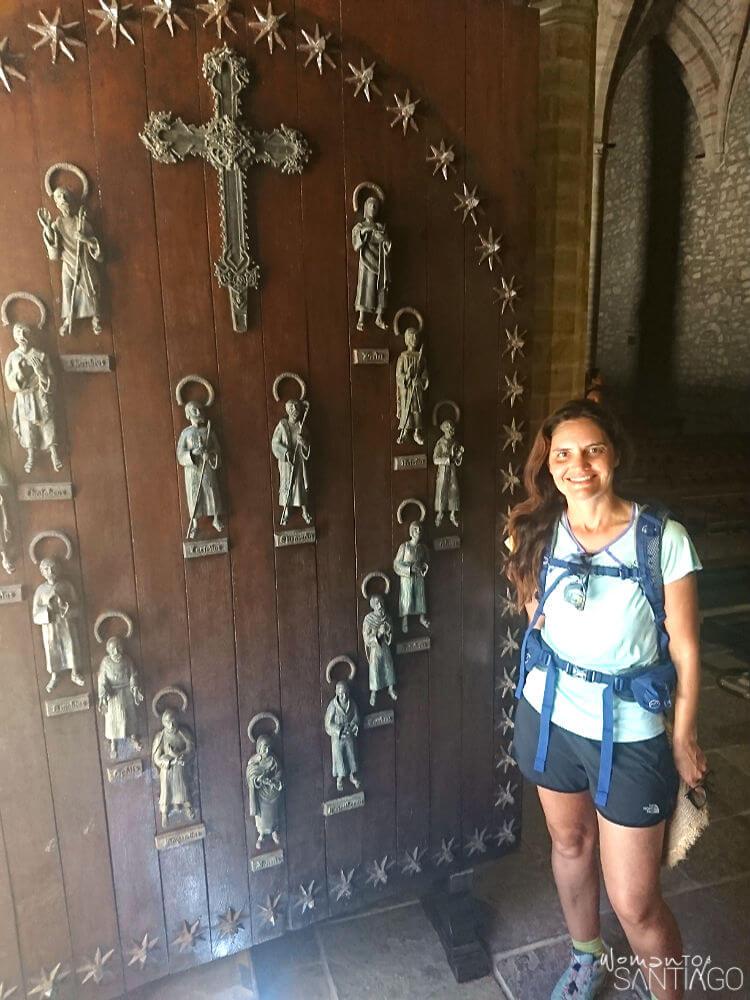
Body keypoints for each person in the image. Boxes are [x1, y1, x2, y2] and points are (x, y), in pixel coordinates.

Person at [505, 399, 707, 1000]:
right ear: (549, 465)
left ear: (614, 454)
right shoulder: (532, 531)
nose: (578, 465)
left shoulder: (661, 539)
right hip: (550, 718)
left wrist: (683, 737)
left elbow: (689, 651)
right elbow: (534, 617)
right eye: (563, 454)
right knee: (569, 843)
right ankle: (585, 957)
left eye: (592, 450)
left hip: (631, 730)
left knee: (635, 901)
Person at [37, 184, 103, 336]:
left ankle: (96, 317)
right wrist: (47, 227)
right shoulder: (57, 224)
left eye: (65, 195)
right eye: (59, 197)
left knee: (89, 288)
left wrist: (84, 239)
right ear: (56, 203)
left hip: (83, 262)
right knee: (67, 291)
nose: (63, 199)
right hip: (68, 264)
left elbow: (96, 246)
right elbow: (53, 252)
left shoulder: (81, 223)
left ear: (72, 200)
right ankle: (68, 319)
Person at [4, 322, 62, 473]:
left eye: (25, 333)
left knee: (48, 423)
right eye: (18, 334)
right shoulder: (12, 357)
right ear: (14, 337)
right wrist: (19, 372)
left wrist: (40, 372)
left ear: (30, 335)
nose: (22, 337)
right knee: (27, 426)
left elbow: (52, 382)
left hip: (40, 395)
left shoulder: (40, 355)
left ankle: (54, 453)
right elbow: (10, 382)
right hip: (24, 398)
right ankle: (30, 456)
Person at [32, 557, 84, 693]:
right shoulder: (40, 591)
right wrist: (48, 609)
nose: (51, 571)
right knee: (52, 649)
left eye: (53, 568)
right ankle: (54, 676)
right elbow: (35, 615)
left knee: (71, 645)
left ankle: (75, 672)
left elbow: (78, 608)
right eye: (47, 569)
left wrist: (66, 608)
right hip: (50, 627)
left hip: (66, 623)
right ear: (42, 572)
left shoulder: (67, 586)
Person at [176, 401, 224, 539]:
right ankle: (195, 524)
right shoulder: (186, 433)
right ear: (188, 414)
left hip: (207, 467)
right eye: (194, 410)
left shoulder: (208, 432)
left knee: (211, 491)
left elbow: (217, 451)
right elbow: (180, 454)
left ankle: (216, 518)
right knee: (194, 495)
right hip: (193, 470)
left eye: (199, 409)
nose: (198, 413)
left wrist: (211, 455)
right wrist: (192, 454)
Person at [96, 636, 143, 759]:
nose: (116, 652)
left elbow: (133, 674)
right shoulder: (106, 663)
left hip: (127, 692)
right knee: (113, 721)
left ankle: (133, 737)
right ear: (108, 650)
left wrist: (134, 687)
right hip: (113, 695)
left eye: (118, 648)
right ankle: (113, 744)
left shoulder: (127, 660)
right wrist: (103, 694)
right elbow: (101, 680)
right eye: (113, 649)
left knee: (130, 717)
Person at [351, 195, 391, 331]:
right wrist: (365, 232)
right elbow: (356, 245)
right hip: (367, 261)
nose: (373, 208)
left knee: (381, 288)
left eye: (375, 206)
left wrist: (385, 242)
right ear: (365, 208)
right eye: (370, 205)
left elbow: (386, 243)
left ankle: (379, 316)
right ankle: (361, 317)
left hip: (380, 263)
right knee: (365, 288)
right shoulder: (360, 226)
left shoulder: (380, 227)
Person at [152, 708, 196, 827]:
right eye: (168, 722)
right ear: (163, 723)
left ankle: (187, 806)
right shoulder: (160, 737)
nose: (171, 725)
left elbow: (190, 749)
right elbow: (156, 758)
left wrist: (182, 756)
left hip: (180, 767)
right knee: (166, 790)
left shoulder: (183, 733)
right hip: (167, 769)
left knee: (183, 787)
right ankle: (165, 813)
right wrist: (168, 760)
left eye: (173, 721)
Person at [271, 399, 312, 526]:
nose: (294, 413)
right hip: (286, 462)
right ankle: (286, 511)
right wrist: (285, 453)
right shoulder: (282, 425)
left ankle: (304, 511)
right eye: (291, 410)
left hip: (299, 461)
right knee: (287, 484)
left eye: (296, 410)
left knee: (299, 485)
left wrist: (303, 442)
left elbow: (308, 446)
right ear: (288, 411)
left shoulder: (302, 426)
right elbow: (275, 443)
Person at [246, 734, 284, 851]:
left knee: (273, 814)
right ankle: (261, 835)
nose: (266, 750)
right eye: (264, 747)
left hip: (272, 793)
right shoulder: (254, 762)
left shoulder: (273, 760)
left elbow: (279, 772)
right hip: (261, 794)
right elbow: (250, 775)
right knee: (261, 817)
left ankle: (274, 832)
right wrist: (257, 780)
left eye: (268, 747)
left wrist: (274, 781)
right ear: (259, 748)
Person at [324, 680, 361, 792]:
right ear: (336, 693)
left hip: (349, 735)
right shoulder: (333, 706)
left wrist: (353, 725)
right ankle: (340, 778)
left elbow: (356, 717)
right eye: (340, 694)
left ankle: (352, 775)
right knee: (339, 757)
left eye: (345, 693)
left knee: (351, 755)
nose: (343, 696)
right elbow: (328, 723)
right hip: (338, 737)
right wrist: (339, 730)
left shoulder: (352, 704)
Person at [393, 521, 430, 633]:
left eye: (419, 530)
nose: (418, 532)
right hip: (407, 577)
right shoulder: (404, 546)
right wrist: (409, 569)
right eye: (415, 529)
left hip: (418, 576)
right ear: (411, 532)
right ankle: (405, 619)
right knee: (407, 597)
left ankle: (422, 617)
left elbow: (426, 561)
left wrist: (424, 567)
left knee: (420, 596)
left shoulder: (422, 548)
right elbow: (396, 564)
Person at [395, 327, 429, 446]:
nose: (414, 339)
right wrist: (407, 376)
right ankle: (404, 431)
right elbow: (399, 375)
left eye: (416, 337)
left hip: (417, 389)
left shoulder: (421, 358)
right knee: (407, 410)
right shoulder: (402, 357)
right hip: (406, 389)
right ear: (407, 339)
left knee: (417, 410)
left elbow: (425, 375)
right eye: (411, 337)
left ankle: (417, 432)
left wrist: (419, 381)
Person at [362, 593, 397, 706]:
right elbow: (366, 639)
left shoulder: (386, 617)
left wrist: (388, 631)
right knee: (375, 670)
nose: (380, 605)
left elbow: (391, 634)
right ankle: (374, 693)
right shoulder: (368, 619)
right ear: (373, 605)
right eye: (377, 603)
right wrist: (378, 634)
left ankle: (390, 688)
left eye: (381, 603)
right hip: (375, 649)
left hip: (385, 647)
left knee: (389, 667)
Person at [433, 418, 463, 526]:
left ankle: (453, 513)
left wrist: (459, 456)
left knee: (454, 490)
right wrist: (446, 460)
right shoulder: (440, 443)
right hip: (443, 470)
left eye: (452, 430)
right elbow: (435, 459)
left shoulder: (454, 443)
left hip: (452, 470)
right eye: (449, 430)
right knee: (442, 491)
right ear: (445, 430)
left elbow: (456, 459)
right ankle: (440, 513)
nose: (451, 432)